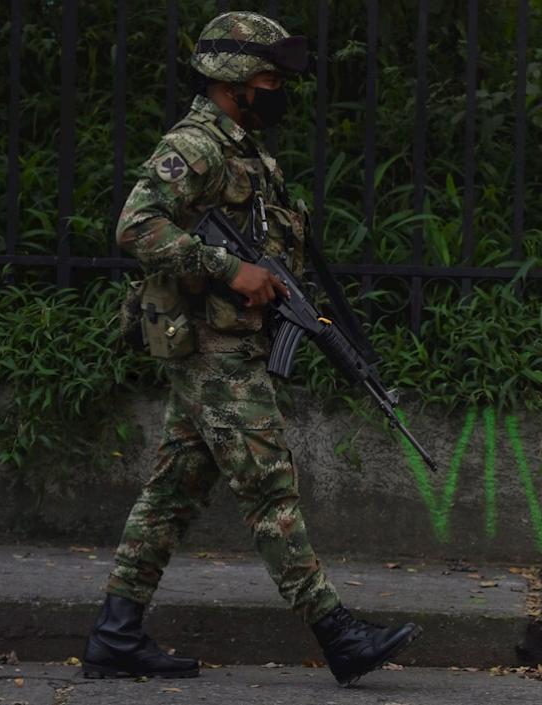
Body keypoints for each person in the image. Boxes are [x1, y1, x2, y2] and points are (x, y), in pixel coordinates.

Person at [82, 11, 418, 688]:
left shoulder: (245, 150)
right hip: (211, 346)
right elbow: (135, 225)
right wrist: (227, 268)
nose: (278, 88)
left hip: (228, 340)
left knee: (173, 491)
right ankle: (338, 633)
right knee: (269, 484)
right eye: (269, 77)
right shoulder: (197, 145)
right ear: (236, 82)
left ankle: (115, 635)